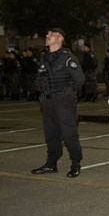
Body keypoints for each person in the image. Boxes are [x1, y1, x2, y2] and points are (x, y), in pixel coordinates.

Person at [31, 28, 85, 178]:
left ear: (60, 38)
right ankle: (51, 164)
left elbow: (80, 80)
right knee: (51, 135)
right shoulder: (44, 57)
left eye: (51, 34)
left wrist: (67, 94)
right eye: (47, 34)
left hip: (64, 102)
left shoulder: (68, 58)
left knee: (69, 134)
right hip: (47, 101)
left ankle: (75, 164)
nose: (47, 36)